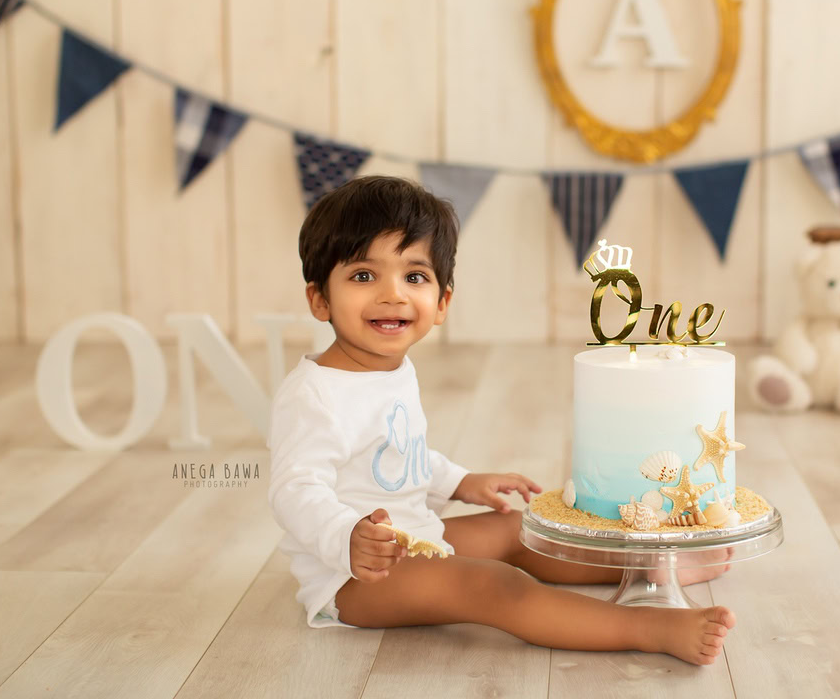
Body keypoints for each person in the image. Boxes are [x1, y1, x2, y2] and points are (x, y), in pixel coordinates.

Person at [267, 175, 734, 665]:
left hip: (416, 536)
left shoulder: (391, 369)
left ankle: (652, 571)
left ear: (442, 301)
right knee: (492, 584)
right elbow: (294, 490)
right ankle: (648, 626)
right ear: (319, 299)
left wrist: (459, 480)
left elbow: (396, 452)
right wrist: (348, 537)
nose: (392, 295)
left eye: (414, 277)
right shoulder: (314, 393)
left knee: (519, 529)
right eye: (364, 276)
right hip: (354, 575)